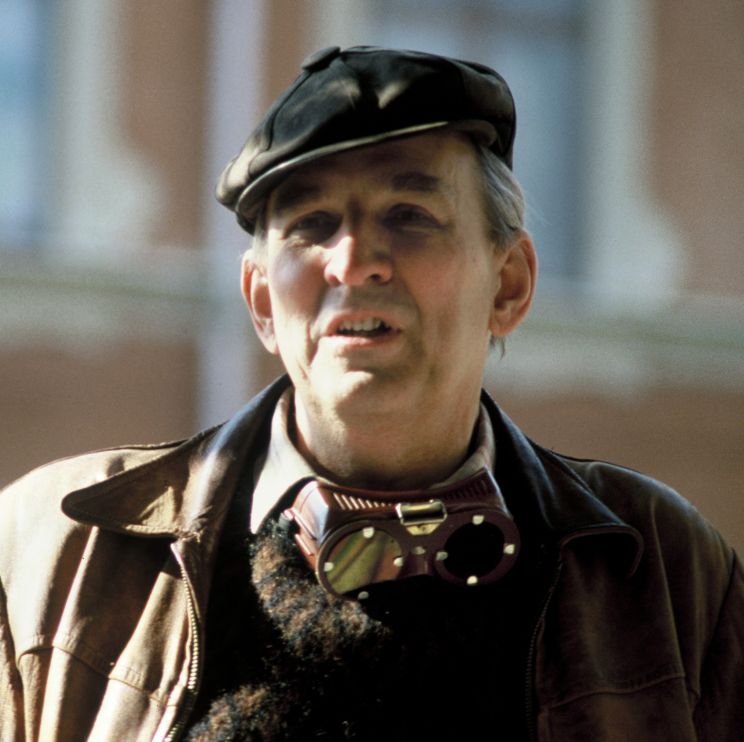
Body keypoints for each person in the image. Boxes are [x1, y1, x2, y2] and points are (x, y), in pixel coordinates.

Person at [0, 46, 742, 742]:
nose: (354, 262)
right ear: (261, 302)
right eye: (312, 224)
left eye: (409, 216)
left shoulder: (667, 571)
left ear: (509, 284)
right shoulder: (49, 550)